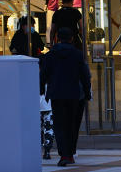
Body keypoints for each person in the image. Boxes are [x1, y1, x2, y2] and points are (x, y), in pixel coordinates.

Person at [40, 27, 92, 167]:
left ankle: (64, 153)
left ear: (57, 38)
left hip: (56, 94)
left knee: (59, 124)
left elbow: (44, 74)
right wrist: (87, 92)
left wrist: (41, 91)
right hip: (74, 94)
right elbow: (84, 75)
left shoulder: (50, 55)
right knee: (72, 124)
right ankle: (69, 153)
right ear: (72, 39)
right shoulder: (77, 54)